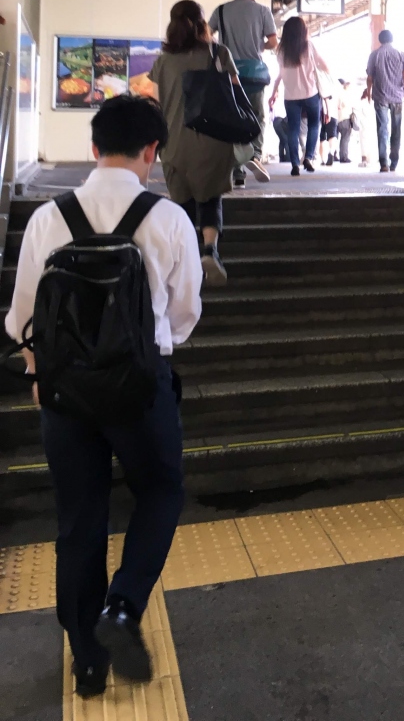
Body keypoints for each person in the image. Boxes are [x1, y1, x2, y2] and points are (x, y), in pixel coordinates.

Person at [5, 95, 202, 699]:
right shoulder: (169, 219)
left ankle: (87, 663)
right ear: (152, 152)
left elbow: (21, 319)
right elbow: (184, 316)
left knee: (79, 517)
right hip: (141, 390)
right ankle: (122, 607)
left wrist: (40, 372)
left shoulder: (48, 219)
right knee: (161, 492)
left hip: (65, 395)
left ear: (93, 148)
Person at [149, 0, 240, 283]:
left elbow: (154, 103)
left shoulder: (162, 62)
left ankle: (184, 259)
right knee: (210, 198)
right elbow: (236, 93)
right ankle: (210, 250)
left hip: (174, 144)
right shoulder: (218, 53)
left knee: (182, 204)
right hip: (213, 141)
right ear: (202, 23)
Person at [209, 0, 277, 186]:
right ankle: (254, 155)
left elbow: (206, 35)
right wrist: (258, 46)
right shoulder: (263, 11)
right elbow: (273, 42)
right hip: (254, 75)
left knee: (232, 119)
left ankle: (237, 171)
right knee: (257, 116)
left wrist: (221, 49)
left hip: (228, 74)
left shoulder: (221, 10)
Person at [268, 16, 327, 177]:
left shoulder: (281, 51)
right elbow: (323, 65)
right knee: (314, 125)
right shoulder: (308, 46)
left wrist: (274, 92)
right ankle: (308, 157)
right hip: (311, 93)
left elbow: (280, 74)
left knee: (293, 129)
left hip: (291, 96)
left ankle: (295, 164)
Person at [363, 29, 404, 173]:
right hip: (397, 97)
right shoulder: (401, 55)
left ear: (380, 40)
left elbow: (370, 77)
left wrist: (369, 92)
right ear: (392, 39)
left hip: (381, 96)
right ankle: (394, 163)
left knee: (382, 129)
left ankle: (384, 163)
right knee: (396, 130)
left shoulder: (374, 55)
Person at [335, 78, 357, 163]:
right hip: (344, 118)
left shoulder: (335, 94)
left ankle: (333, 155)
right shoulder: (343, 94)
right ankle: (343, 157)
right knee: (345, 138)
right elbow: (349, 105)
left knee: (335, 138)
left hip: (336, 119)